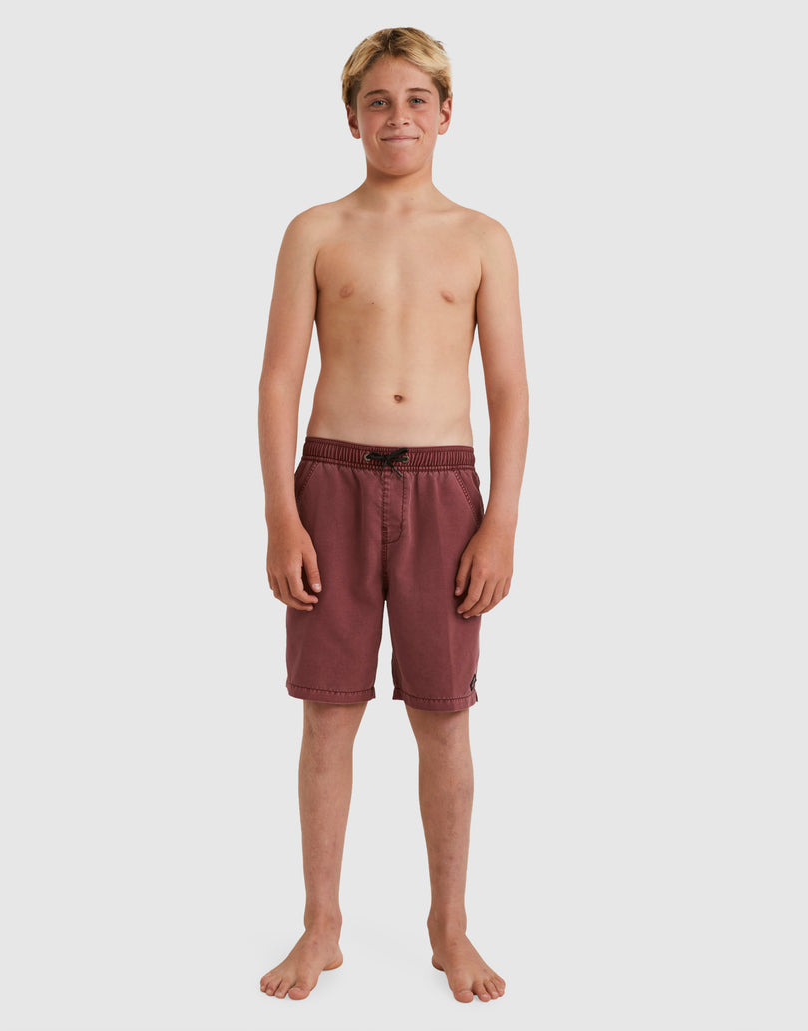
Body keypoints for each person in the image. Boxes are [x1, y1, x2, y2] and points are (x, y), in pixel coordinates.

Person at [257, 26, 528, 1004]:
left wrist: (499, 522)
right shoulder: (315, 230)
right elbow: (279, 379)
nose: (398, 117)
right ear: (352, 118)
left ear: (446, 114)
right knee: (327, 712)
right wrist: (281, 514)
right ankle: (321, 922)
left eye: (416, 100)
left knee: (443, 714)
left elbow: (509, 388)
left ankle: (448, 924)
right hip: (330, 482)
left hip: (443, 491)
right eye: (378, 101)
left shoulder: (482, 237)